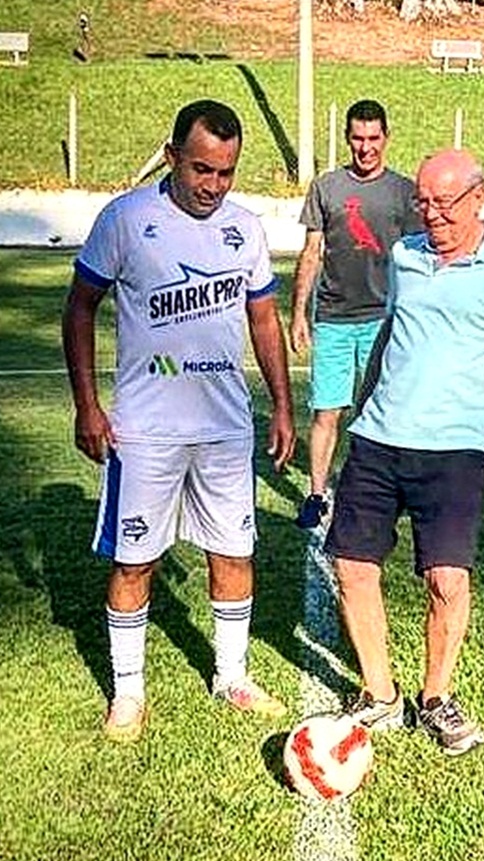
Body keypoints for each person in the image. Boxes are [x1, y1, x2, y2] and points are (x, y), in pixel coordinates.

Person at [62, 99, 296, 743]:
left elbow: (264, 319)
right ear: (172, 157)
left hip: (224, 430)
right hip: (144, 432)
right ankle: (129, 694)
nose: (213, 186)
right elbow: (80, 308)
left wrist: (280, 404)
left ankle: (232, 676)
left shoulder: (245, 229)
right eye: (201, 170)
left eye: (225, 173)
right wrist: (87, 403)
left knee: (235, 551)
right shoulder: (127, 219)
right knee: (135, 562)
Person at [324, 148, 484, 756]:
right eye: (421, 202)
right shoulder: (403, 256)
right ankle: (380, 695)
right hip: (379, 435)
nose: (431, 215)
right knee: (352, 566)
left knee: (446, 578)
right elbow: (391, 335)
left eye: (443, 203)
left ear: (480, 196)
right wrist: (360, 406)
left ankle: (436, 698)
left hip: (456, 447)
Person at [289, 99, 421, 530]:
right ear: (347, 138)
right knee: (327, 410)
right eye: (357, 138)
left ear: (387, 137)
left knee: (377, 411)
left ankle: (369, 491)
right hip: (333, 319)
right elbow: (311, 252)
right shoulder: (326, 187)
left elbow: (420, 260)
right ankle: (315, 493)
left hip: (385, 322)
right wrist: (298, 315)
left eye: (373, 138)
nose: (365, 147)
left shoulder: (404, 192)